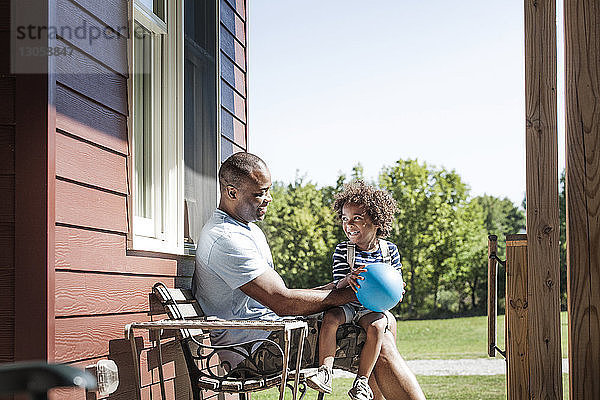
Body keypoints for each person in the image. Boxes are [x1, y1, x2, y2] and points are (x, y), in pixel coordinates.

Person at [193, 152, 425, 400]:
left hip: (270, 334)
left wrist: (340, 288)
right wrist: (359, 293)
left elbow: (286, 299)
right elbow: (282, 302)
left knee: (382, 327)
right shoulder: (226, 239)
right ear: (231, 193)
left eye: (268, 190)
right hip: (255, 350)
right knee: (379, 338)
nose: (268, 199)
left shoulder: (247, 231)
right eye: (259, 193)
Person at [307, 181, 404, 400]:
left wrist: (398, 290)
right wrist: (348, 279)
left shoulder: (390, 251)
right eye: (344, 218)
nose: (349, 224)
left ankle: (361, 382)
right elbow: (338, 283)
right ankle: (325, 372)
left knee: (378, 326)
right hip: (348, 305)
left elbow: (395, 281)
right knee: (330, 318)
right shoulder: (343, 250)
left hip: (372, 309)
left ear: (376, 221)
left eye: (356, 218)